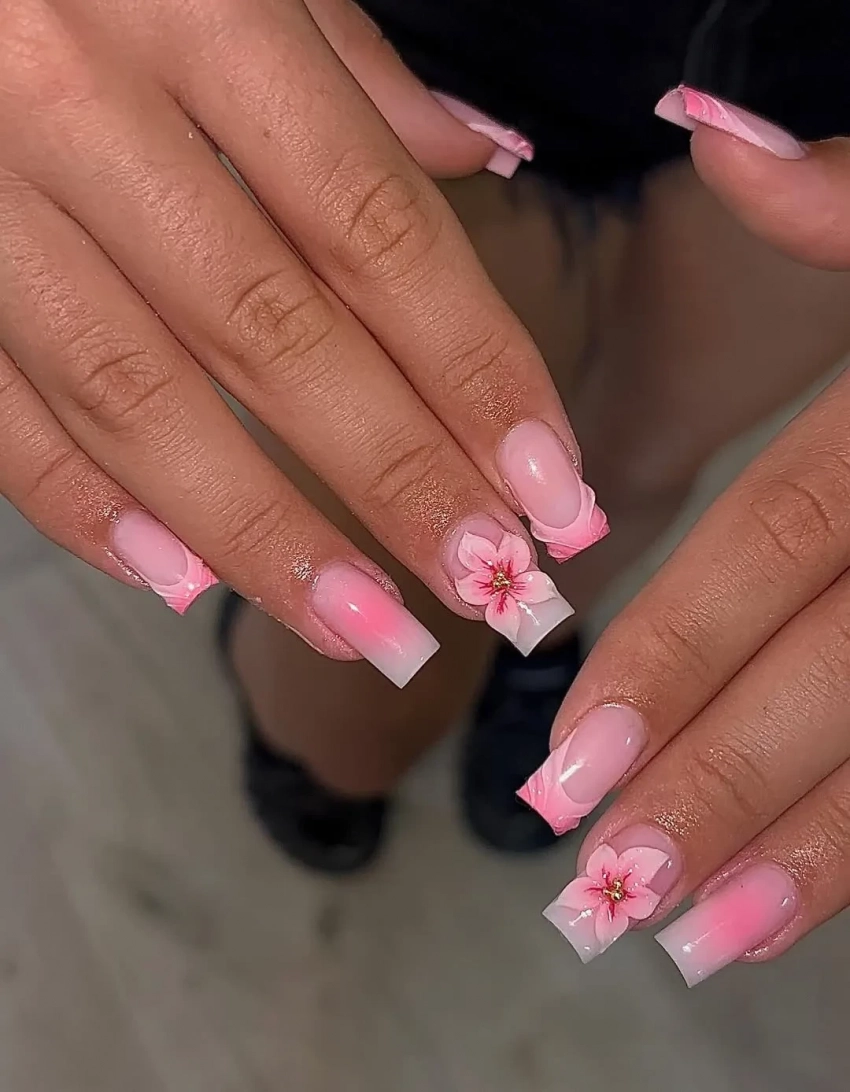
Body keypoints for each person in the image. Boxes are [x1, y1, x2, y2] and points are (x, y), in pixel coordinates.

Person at [2, 0, 849, 984]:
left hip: (805, 85)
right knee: (371, 665)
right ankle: (326, 728)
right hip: (438, 56)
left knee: (628, 473)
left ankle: (545, 644)